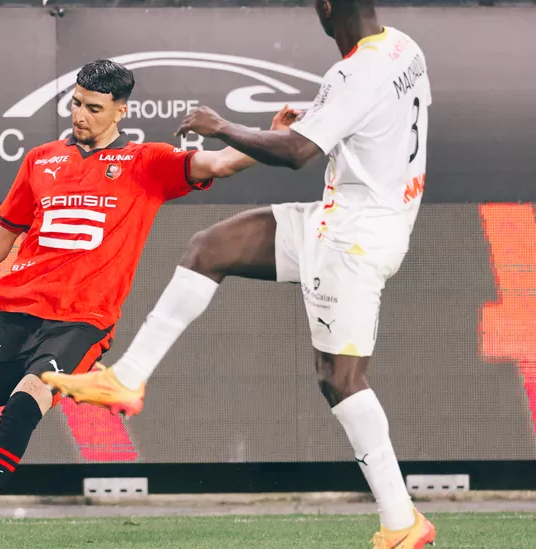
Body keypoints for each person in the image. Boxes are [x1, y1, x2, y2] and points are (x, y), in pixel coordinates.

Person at [42, 1, 436, 548]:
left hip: (352, 239)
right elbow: (370, 120)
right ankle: (127, 377)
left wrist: (221, 126)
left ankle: (401, 522)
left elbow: (296, 153)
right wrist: (319, 118)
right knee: (211, 247)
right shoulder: (402, 48)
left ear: (326, 7)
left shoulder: (355, 72)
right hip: (348, 216)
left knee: (340, 379)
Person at [0, 58, 280, 549]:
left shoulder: (146, 162)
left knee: (24, 407)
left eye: (93, 108)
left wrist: (274, 137)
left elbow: (222, 163)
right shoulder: (41, 159)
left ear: (120, 111)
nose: (80, 115)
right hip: (11, 311)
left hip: (79, 323)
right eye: (75, 104)